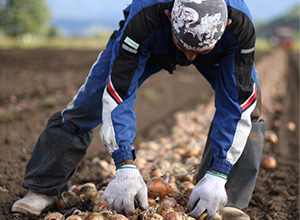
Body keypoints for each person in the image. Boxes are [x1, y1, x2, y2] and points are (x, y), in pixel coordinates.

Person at [11, 0, 266, 219]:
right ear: (169, 17)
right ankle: (43, 188)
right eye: (184, 48)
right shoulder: (146, 18)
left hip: (221, 53)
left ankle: (226, 198)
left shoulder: (240, 27)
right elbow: (118, 93)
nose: (190, 58)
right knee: (88, 104)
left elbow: (238, 103)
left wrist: (219, 172)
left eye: (197, 51)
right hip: (153, 41)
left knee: (251, 110)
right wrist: (125, 165)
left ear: (227, 25)